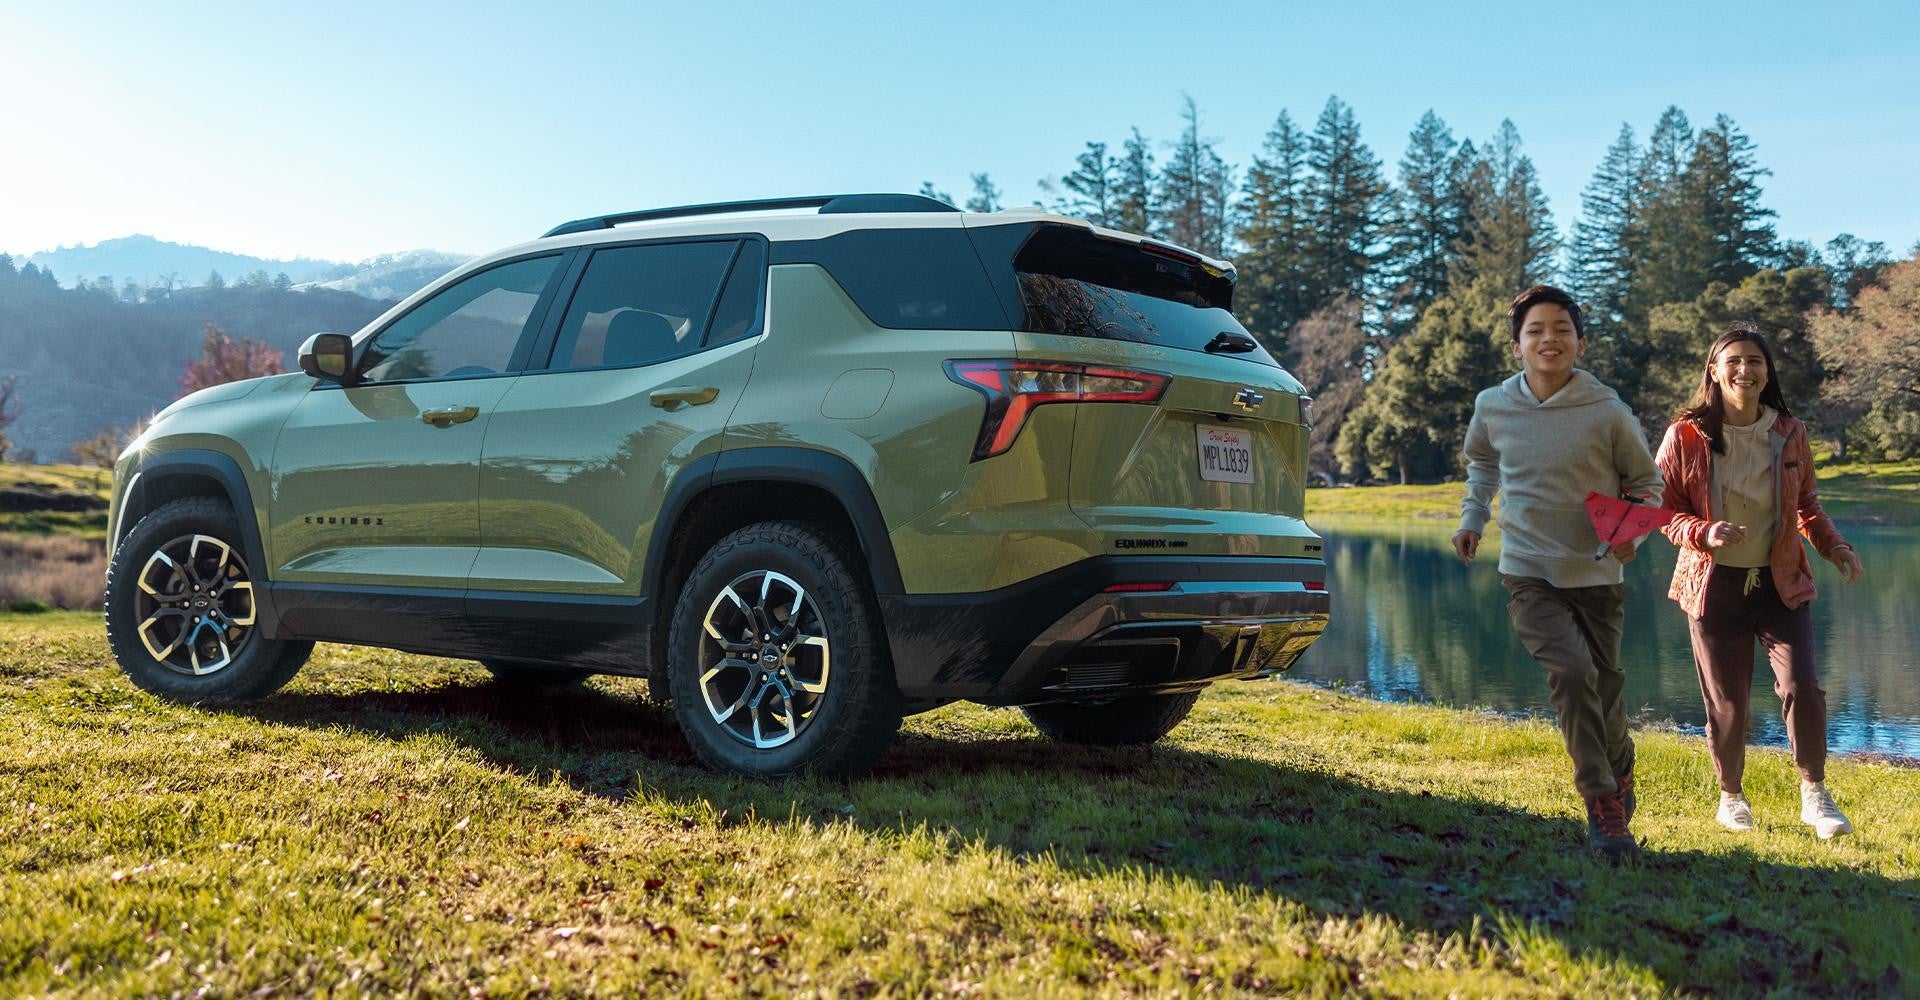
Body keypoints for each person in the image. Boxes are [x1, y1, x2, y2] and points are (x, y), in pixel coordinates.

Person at [1453, 285, 1662, 865]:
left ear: (1579, 342)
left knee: (1607, 689)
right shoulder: (1493, 405)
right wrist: (1474, 516)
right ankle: (1602, 804)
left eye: (1561, 330)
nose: (1549, 339)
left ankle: (1619, 771)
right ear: (1517, 345)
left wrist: (1631, 535)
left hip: (1596, 576)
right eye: (1536, 330)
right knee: (1572, 676)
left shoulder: (1608, 411)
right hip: (1527, 570)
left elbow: (1647, 486)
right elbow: (1483, 462)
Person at [1655, 324, 1864, 839]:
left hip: (1781, 584)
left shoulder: (1790, 431)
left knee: (1803, 687)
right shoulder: (1686, 434)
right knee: (1727, 702)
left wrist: (1835, 547)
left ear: (1767, 373)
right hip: (1712, 585)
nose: (1745, 370)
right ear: (1714, 370)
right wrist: (1703, 532)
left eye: (1756, 361)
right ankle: (1731, 797)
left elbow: (1806, 505)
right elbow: (1661, 511)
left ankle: (1814, 794)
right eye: (1734, 361)